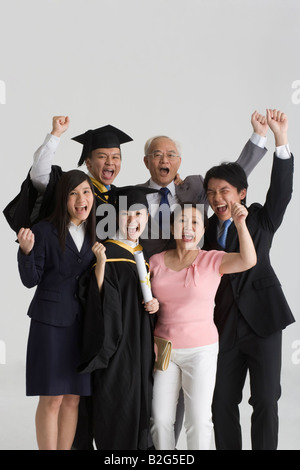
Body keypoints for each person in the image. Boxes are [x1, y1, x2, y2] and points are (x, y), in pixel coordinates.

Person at [203, 109, 295, 450]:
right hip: (222, 324)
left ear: (241, 193)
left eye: (224, 191)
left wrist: (280, 139)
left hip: (263, 322)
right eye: (211, 193)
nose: (217, 198)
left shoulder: (260, 219)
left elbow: (281, 193)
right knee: (220, 403)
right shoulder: (204, 229)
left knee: (266, 401)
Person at [148, 201, 256, 450]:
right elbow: (140, 297)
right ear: (173, 227)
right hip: (164, 350)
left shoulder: (213, 260)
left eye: (195, 222)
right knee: (161, 419)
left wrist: (240, 224)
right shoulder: (155, 261)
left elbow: (248, 260)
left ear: (203, 229)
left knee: (198, 419)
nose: (188, 227)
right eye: (182, 221)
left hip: (201, 350)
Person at [16, 170, 96, 450]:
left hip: (81, 326)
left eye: (86, 192)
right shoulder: (44, 231)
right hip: (49, 323)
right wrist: (25, 252)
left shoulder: (96, 232)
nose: (80, 199)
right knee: (52, 398)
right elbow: (30, 280)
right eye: (73, 193)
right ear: (63, 198)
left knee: (73, 397)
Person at [78, 187, 159, 450]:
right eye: (125, 214)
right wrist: (101, 265)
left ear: (147, 218)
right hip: (118, 346)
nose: (132, 220)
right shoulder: (107, 253)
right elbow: (97, 301)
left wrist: (154, 305)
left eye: (138, 213)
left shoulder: (143, 258)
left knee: (142, 403)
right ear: (114, 216)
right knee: (118, 403)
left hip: (142, 348)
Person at [139, 110, 268, 258]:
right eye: (157, 155)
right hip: (152, 274)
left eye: (171, 155)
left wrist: (258, 135)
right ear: (146, 162)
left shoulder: (195, 187)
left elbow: (233, 176)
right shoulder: (133, 197)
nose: (164, 160)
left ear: (179, 161)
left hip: (194, 272)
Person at [3, 116, 133, 234]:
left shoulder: (119, 197)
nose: (110, 162)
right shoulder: (70, 186)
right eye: (102, 156)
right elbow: (40, 176)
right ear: (88, 163)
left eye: (116, 157)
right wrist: (56, 134)